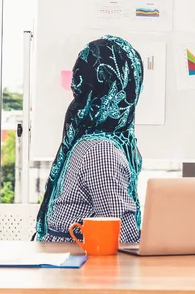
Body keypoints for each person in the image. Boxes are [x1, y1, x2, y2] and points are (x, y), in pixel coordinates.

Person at [34, 35, 144, 243]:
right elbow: (124, 236)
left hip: (73, 260)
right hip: (78, 265)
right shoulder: (101, 150)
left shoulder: (89, 137)